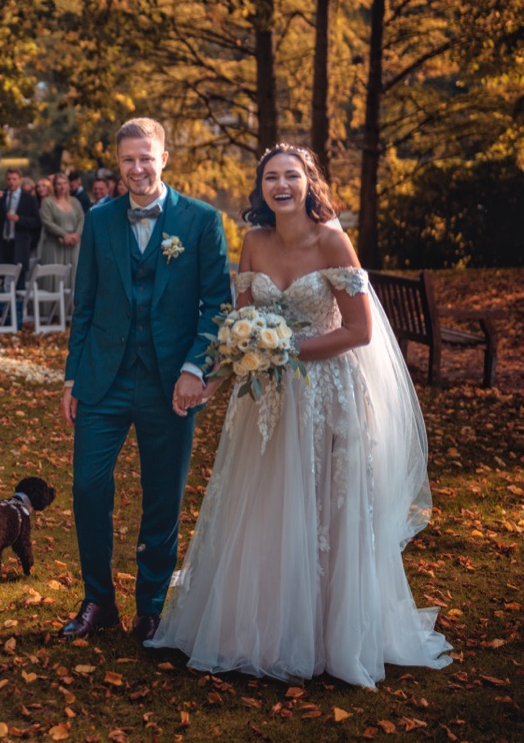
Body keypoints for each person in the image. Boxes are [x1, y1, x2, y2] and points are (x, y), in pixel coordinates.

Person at [146, 145, 452, 687]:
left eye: (291, 175)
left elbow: (360, 331)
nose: (281, 185)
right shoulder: (254, 242)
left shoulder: (332, 240)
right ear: (261, 187)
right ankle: (259, 632)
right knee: (267, 503)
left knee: (323, 510)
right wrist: (210, 380)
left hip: (327, 394)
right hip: (265, 399)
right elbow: (242, 328)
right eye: (271, 177)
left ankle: (329, 636)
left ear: (310, 183)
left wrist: (286, 348)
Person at [59, 117, 231, 643]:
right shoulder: (99, 219)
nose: (137, 168)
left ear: (164, 159)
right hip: (103, 379)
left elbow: (218, 306)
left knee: (163, 497)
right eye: (128, 159)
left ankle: (151, 608)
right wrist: (71, 377)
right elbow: (85, 303)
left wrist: (195, 368)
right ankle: (98, 600)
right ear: (118, 163)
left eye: (146, 158)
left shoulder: (202, 220)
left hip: (170, 384)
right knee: (88, 487)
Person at [0, 168, 40, 286]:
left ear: (19, 180)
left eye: (14, 179)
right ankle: (3, 299)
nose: (11, 182)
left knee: (19, 279)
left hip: (19, 243)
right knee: (1, 278)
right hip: (3, 243)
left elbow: (36, 222)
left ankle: (19, 298)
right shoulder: (2, 196)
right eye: (9, 179)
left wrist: (19, 219)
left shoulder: (29, 199)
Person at [37, 172, 84, 287]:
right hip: (54, 245)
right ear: (54, 186)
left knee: (74, 277)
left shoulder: (75, 202)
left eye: (64, 183)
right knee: (54, 280)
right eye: (59, 184)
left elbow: (81, 218)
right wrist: (63, 234)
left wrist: (77, 234)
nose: (62, 187)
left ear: (68, 185)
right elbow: (47, 222)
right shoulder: (47, 202)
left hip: (73, 245)